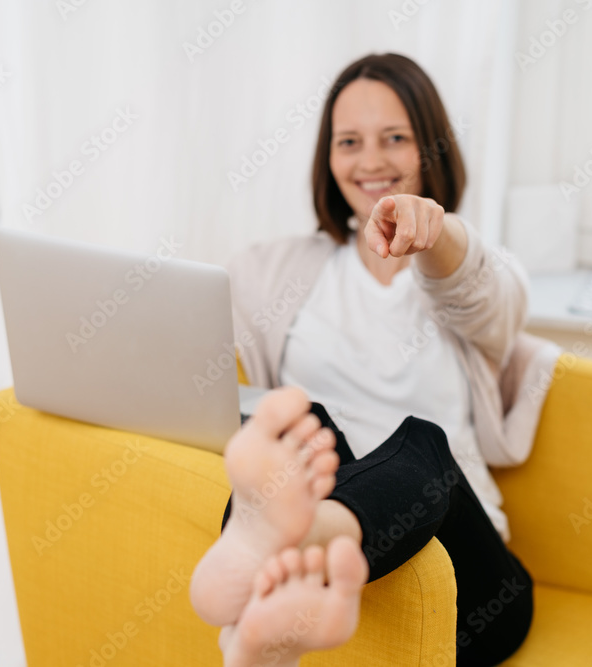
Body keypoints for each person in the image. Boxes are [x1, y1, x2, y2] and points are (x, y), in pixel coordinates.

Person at [192, 53, 542, 667]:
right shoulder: (270, 273)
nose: (371, 161)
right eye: (349, 141)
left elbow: (488, 298)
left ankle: (293, 546)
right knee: (295, 420)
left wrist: (439, 232)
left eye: (396, 138)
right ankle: (265, 616)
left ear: (430, 149)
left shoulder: (472, 272)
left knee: (422, 445)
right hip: (352, 561)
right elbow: (188, 354)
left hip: (468, 581)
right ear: (328, 158)